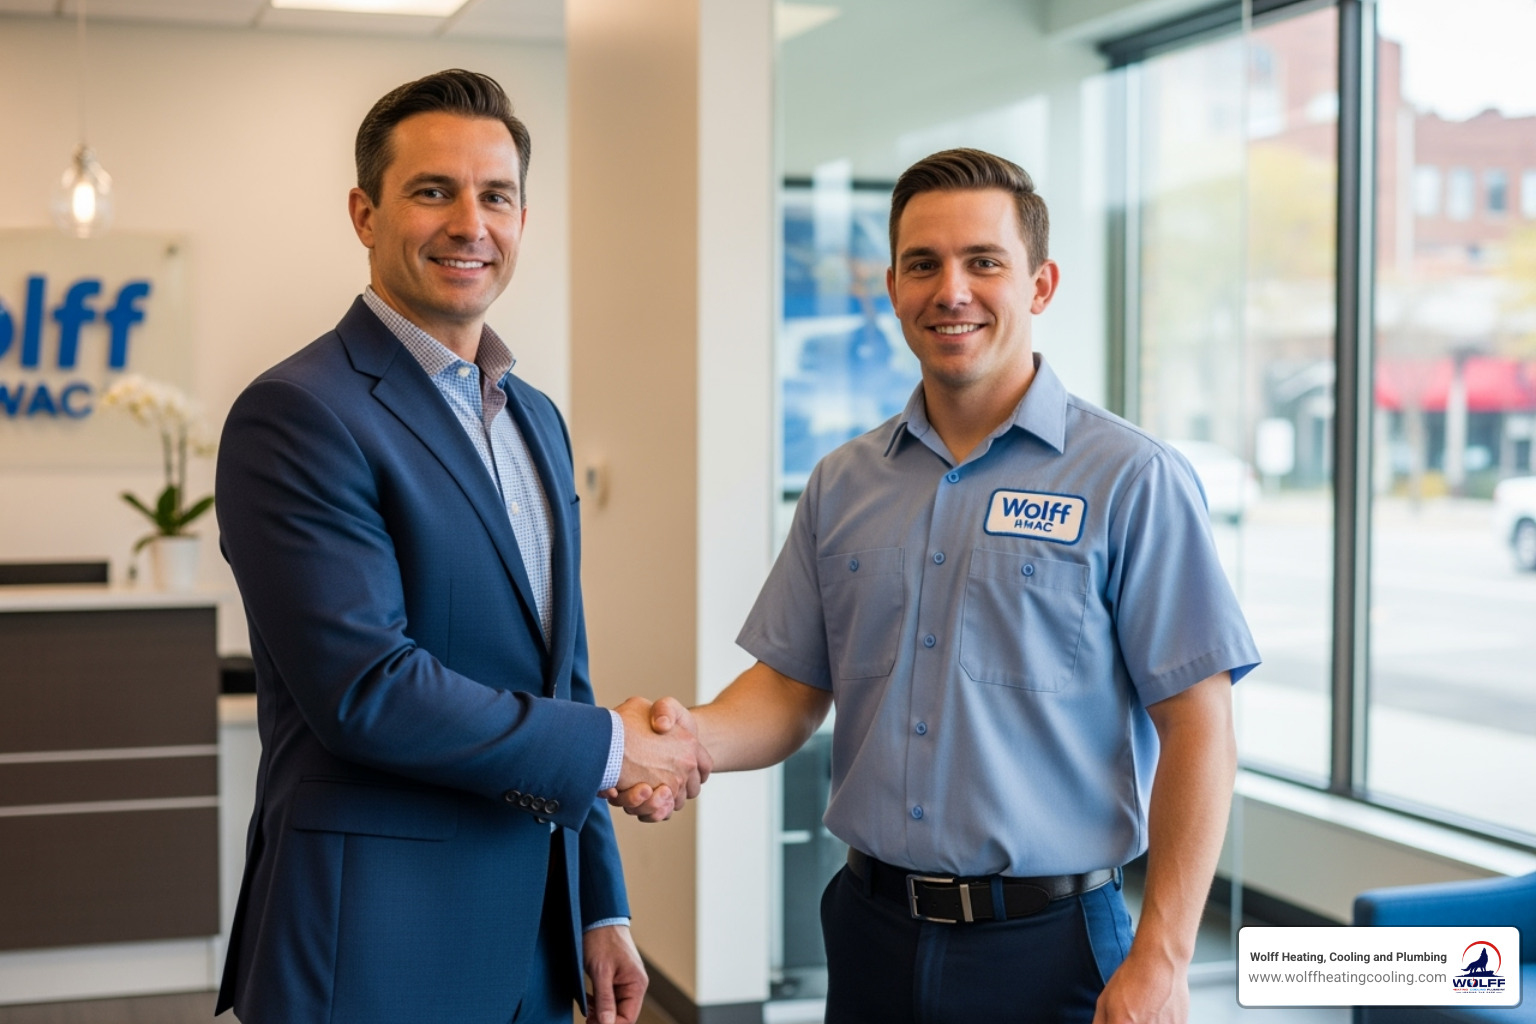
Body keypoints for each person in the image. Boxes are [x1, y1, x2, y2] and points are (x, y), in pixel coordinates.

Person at [617, 148, 1260, 1023]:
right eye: (924, 264)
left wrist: (1165, 955)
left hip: (1056, 949)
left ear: (1040, 284)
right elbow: (793, 686)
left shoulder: (1131, 479)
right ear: (892, 287)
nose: (950, 290)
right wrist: (687, 741)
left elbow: (1199, 724)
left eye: (983, 262)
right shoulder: (845, 482)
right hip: (870, 931)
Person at [215, 69, 706, 1024]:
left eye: (497, 195)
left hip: (533, 935)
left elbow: (564, 672)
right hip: (375, 941)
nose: (469, 223)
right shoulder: (299, 413)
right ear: (365, 212)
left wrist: (599, 903)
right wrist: (613, 751)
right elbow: (369, 690)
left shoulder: (536, 418)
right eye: (432, 191)